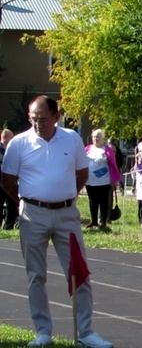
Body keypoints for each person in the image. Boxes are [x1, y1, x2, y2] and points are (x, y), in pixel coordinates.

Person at [0, 95, 112, 347]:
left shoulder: (71, 138)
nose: (37, 123)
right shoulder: (18, 143)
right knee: (36, 275)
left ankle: (85, 332)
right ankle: (43, 332)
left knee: (78, 273)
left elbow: (82, 174)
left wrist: (63, 195)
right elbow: (7, 180)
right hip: (32, 214)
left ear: (56, 116)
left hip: (66, 214)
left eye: (42, 118)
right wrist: (27, 200)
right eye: (33, 118)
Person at [84, 129, 121, 230]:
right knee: (92, 201)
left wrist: (114, 180)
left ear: (103, 138)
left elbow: (113, 165)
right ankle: (94, 221)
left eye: (98, 136)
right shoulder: (87, 148)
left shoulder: (107, 149)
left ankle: (103, 222)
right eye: (94, 136)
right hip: (90, 181)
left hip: (104, 181)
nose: (96, 138)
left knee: (104, 202)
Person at [0, 128, 18, 230]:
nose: (13, 139)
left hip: (10, 182)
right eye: (12, 137)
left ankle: (8, 227)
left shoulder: (11, 150)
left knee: (12, 205)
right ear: (6, 138)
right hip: (1, 182)